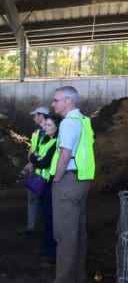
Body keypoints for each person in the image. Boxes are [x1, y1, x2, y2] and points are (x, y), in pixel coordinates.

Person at [50, 86, 95, 283]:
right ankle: (78, 277)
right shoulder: (84, 121)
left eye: (55, 100)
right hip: (81, 181)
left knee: (65, 236)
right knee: (78, 234)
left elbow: (65, 155)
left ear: (69, 101)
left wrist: (57, 179)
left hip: (67, 181)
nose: (53, 104)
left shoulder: (68, 123)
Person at [29, 115, 61, 263]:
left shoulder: (56, 143)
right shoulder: (45, 140)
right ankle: (46, 246)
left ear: (56, 127)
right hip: (41, 183)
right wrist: (37, 159)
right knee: (46, 218)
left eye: (48, 125)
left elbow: (43, 162)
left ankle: (53, 252)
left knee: (51, 218)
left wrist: (37, 159)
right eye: (45, 125)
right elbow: (33, 159)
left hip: (49, 185)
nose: (45, 127)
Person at [20, 106, 50, 235]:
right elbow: (32, 149)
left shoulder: (52, 132)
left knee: (44, 202)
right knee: (32, 200)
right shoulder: (37, 133)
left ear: (41, 116)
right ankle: (31, 226)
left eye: (35, 116)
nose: (34, 118)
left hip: (46, 173)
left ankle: (44, 227)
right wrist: (30, 163)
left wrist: (33, 162)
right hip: (35, 171)